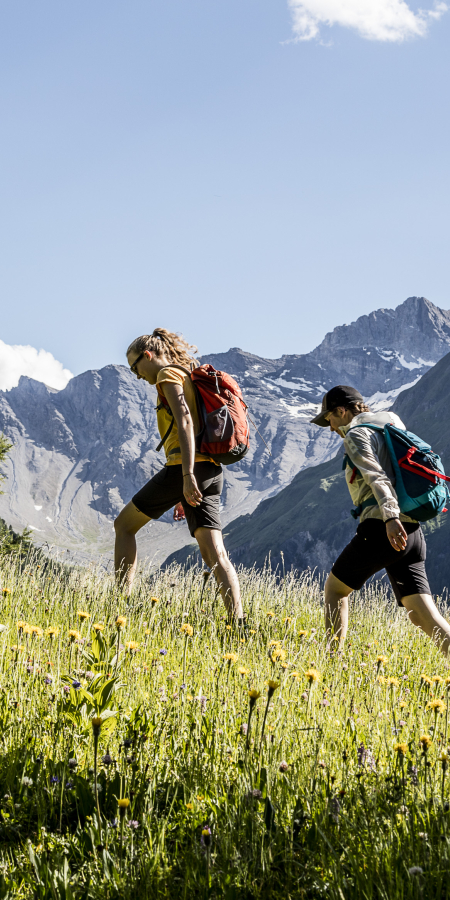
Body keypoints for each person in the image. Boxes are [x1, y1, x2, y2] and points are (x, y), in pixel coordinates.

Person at [114, 328, 244, 624]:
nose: (136, 375)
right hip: (211, 470)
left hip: (185, 469)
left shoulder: (166, 375)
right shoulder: (188, 373)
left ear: (147, 356)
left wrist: (185, 475)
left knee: (123, 526)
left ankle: (119, 605)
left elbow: (184, 419)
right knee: (215, 555)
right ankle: (238, 623)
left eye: (135, 367)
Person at [311, 385, 450, 657]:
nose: (330, 427)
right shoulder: (391, 426)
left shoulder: (356, 434)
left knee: (335, 591)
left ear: (341, 410)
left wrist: (389, 517)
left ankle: (330, 664)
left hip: (383, 529)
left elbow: (377, 477)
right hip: (412, 533)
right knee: (424, 617)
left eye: (330, 419)